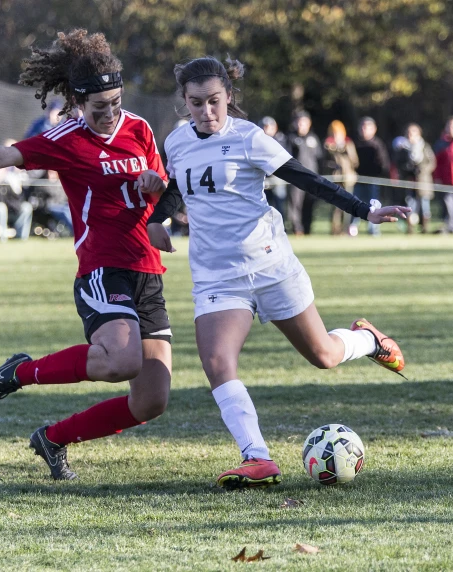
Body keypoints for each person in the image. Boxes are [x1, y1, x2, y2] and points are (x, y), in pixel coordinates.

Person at [0, 29, 172, 481]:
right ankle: (22, 373)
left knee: (151, 401)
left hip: (147, 272)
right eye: (98, 107)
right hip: (104, 269)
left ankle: (53, 439)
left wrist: (157, 198)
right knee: (121, 361)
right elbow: (5, 154)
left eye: (116, 103)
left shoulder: (139, 129)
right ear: (78, 102)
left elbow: (157, 196)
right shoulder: (66, 137)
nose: (109, 114)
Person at [147, 56, 409, 490]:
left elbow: (306, 179)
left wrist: (368, 211)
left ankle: (368, 340)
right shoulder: (176, 141)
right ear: (185, 102)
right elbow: (179, 185)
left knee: (323, 355)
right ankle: (257, 458)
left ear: (229, 96)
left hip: (270, 266)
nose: (207, 112)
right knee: (216, 361)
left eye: (215, 101)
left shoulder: (249, 138)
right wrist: (159, 218)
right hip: (217, 276)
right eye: (196, 104)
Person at [393, 123, 436, 233]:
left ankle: (425, 227)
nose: (411, 135)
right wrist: (407, 168)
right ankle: (410, 228)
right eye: (409, 133)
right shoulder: (402, 149)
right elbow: (398, 164)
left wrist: (422, 169)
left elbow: (431, 162)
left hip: (423, 182)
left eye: (413, 133)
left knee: (424, 205)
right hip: (409, 182)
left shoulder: (425, 147)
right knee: (410, 205)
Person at [350, 117, 390, 236]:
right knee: (354, 203)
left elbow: (384, 163)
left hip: (373, 180)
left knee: (374, 206)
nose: (364, 130)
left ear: (374, 129)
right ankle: (353, 228)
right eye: (362, 127)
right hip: (357, 180)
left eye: (367, 127)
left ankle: (373, 229)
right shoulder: (354, 143)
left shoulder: (377, 144)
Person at [287, 111, 323, 235]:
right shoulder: (291, 138)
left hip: (312, 178)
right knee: (295, 204)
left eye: (304, 122)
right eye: (299, 122)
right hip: (296, 178)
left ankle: (307, 229)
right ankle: (297, 228)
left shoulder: (313, 139)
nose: (301, 125)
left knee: (310, 204)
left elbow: (319, 158)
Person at [323, 120, 359, 235]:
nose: (336, 135)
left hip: (348, 179)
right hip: (335, 179)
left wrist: (345, 150)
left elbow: (355, 161)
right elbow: (325, 162)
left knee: (349, 204)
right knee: (336, 206)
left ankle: (346, 229)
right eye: (333, 133)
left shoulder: (348, 143)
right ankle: (335, 230)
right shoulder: (328, 144)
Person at [0, 166, 32, 241]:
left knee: (26, 207)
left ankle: (21, 237)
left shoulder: (6, 185)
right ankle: (2, 237)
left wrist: (15, 207)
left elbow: (15, 200)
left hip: (9, 212)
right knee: (1, 207)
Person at [259, 116, 290, 220]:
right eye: (264, 127)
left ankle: (282, 227)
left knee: (279, 202)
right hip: (263, 176)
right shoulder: (257, 141)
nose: (266, 129)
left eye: (269, 127)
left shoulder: (281, 139)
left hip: (277, 176)